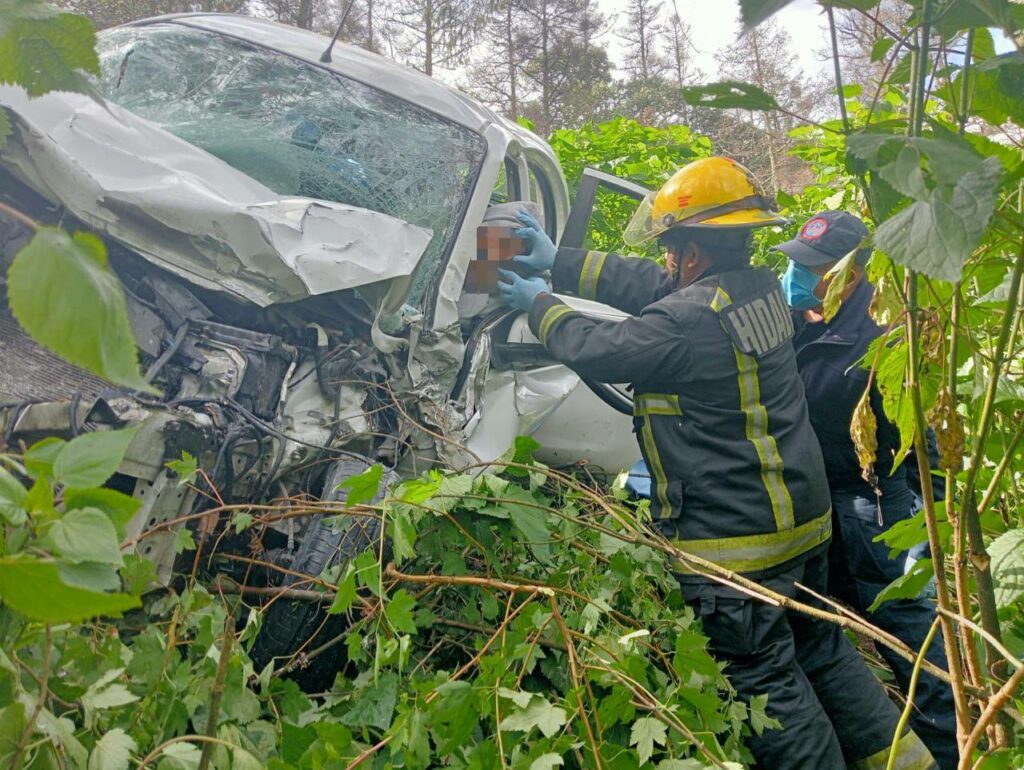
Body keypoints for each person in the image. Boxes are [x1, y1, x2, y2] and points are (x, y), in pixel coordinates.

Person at [496, 157, 935, 770]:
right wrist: (561, 262)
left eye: (671, 249)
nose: (666, 261)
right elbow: (655, 289)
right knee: (824, 652)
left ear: (694, 254)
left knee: (766, 679)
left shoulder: (687, 322)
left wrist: (542, 305)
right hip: (804, 527)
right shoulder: (755, 291)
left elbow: (602, 348)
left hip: (741, 549)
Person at [776, 211, 957, 770]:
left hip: (871, 505)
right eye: (796, 263)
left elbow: (920, 436)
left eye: (811, 268)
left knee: (908, 632)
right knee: (821, 618)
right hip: (817, 500)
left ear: (850, 274)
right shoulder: (800, 320)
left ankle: (953, 747)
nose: (795, 276)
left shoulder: (878, 339)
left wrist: (933, 516)